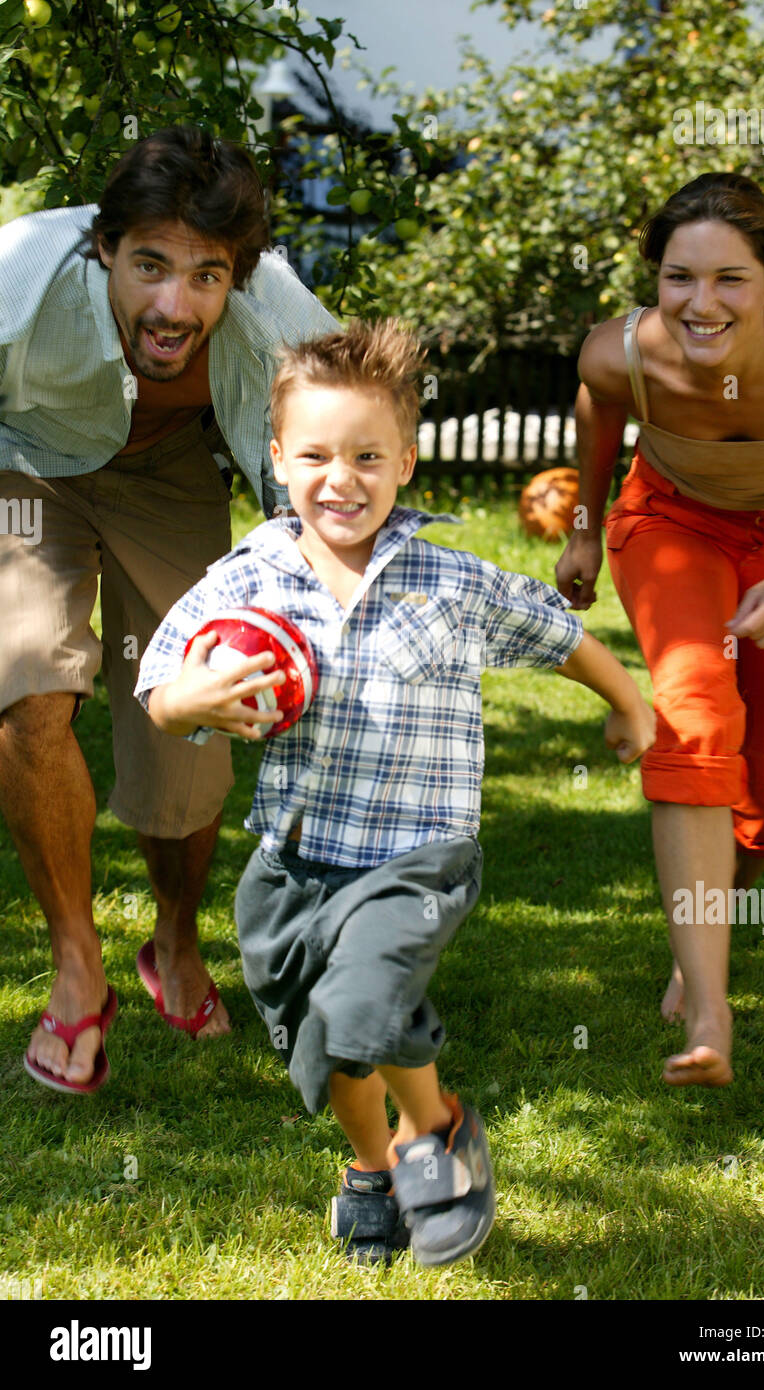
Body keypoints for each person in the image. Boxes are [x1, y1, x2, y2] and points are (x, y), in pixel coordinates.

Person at [134, 319, 656, 1266]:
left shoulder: (448, 580)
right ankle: (372, 1166)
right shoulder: (247, 581)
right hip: (295, 858)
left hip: (419, 850)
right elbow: (163, 683)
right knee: (328, 1043)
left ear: (408, 462)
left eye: (369, 456)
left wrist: (626, 703)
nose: (344, 478)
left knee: (367, 1000)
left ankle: (440, 1132)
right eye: (319, 455)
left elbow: (557, 634)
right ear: (279, 457)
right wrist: (189, 700)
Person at [0, 125, 339, 1093]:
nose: (172, 303)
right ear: (102, 246)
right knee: (29, 689)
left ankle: (176, 941)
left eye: (204, 276)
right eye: (149, 264)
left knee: (195, 722)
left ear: (240, 272)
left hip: (169, 472)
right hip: (24, 467)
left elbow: (339, 420)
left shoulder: (276, 307)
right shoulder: (22, 268)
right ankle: (76, 967)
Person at [555, 171, 764, 1088]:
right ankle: (707, 1000)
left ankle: (708, 924)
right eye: (680, 277)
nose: (702, 302)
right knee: (693, 712)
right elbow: (599, 416)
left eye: (730, 279)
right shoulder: (617, 353)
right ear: (654, 279)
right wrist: (581, 525)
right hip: (672, 523)